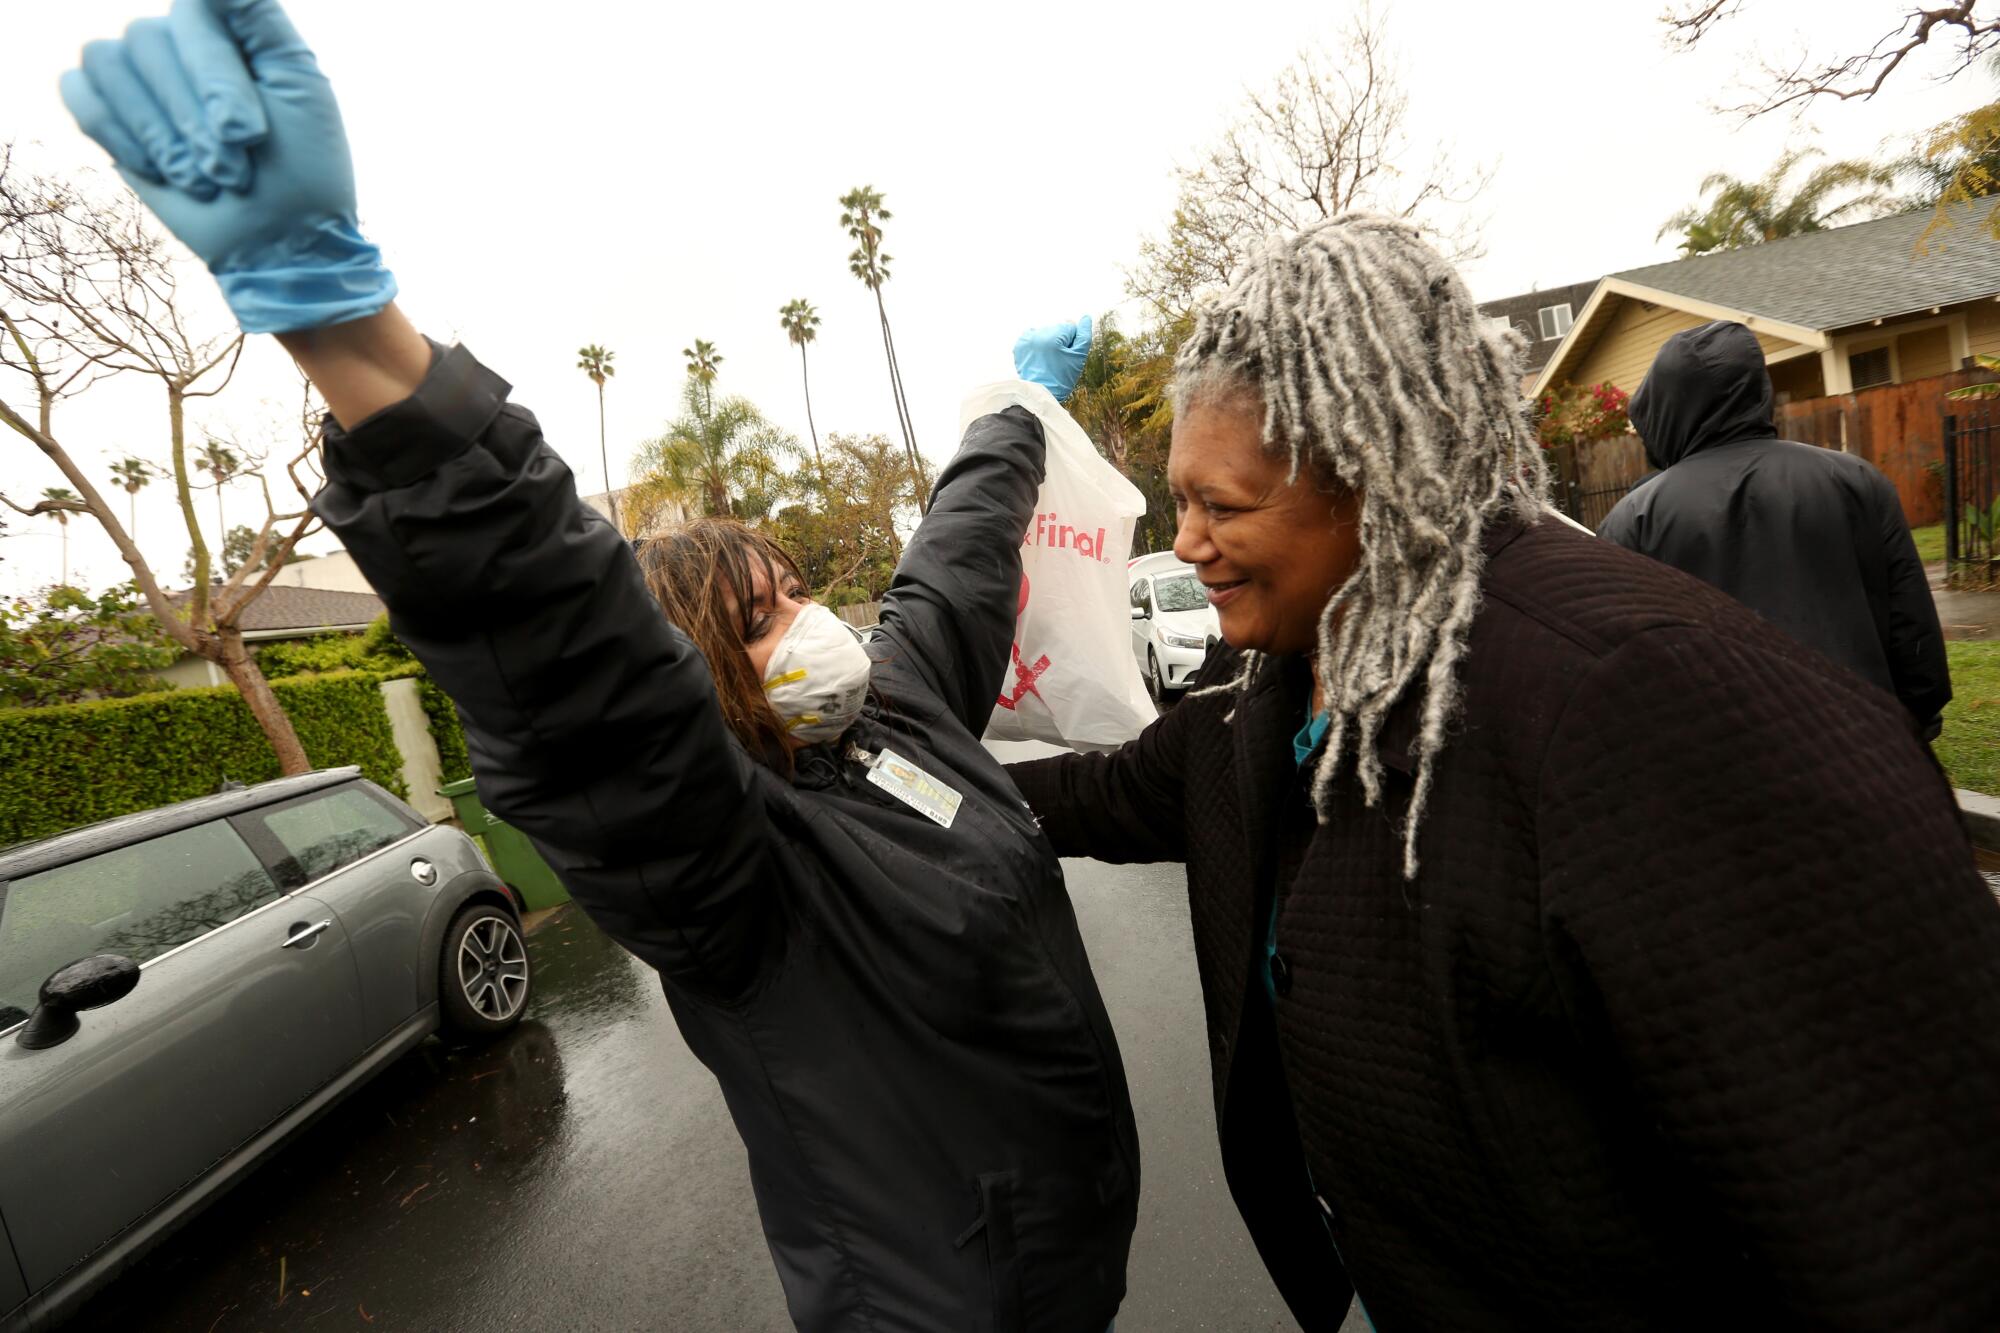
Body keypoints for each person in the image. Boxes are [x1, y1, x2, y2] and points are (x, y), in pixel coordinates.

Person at [56, 5, 1139, 1329]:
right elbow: (578, 670)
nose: (808, 623)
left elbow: (956, 564)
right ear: (698, 685)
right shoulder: (728, 869)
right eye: (755, 621)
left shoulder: (895, 719)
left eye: (797, 590)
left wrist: (1015, 414)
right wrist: (361, 345)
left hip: (1079, 1262)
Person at [1006, 216, 2000, 1331]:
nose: (1185, 544)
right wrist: (875, 783)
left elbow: (1910, 1212)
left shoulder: (1635, 700)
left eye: (1221, 506)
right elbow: (1084, 795)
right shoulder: (1281, 682)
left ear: (1374, 476)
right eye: (1180, 501)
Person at [1597, 320, 1951, 735]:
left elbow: (1625, 675)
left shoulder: (1633, 520)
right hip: (1869, 752)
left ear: (1663, 411)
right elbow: (1914, 639)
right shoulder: (1855, 480)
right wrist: (1914, 733)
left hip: (1724, 770)